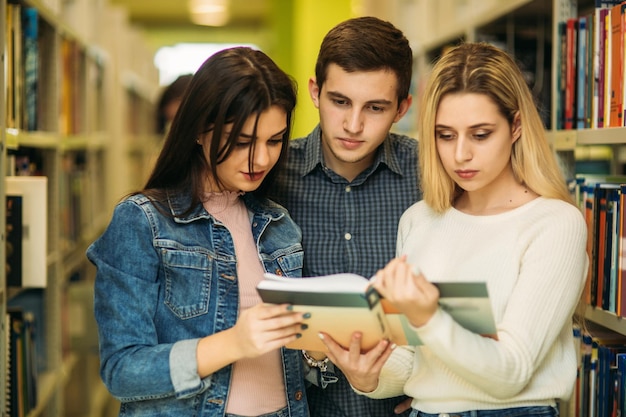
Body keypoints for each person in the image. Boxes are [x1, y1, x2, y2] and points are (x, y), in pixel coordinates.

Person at [321, 42, 589, 417]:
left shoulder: (554, 223)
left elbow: (510, 371)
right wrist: (367, 374)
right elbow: (419, 366)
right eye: (445, 135)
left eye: (480, 135)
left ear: (515, 127)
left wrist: (428, 317)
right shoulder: (419, 219)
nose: (460, 154)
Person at [86, 47, 311, 417]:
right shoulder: (142, 222)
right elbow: (121, 370)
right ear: (197, 131)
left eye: (274, 141)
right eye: (241, 142)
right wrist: (233, 343)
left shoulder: (278, 224)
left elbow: (291, 362)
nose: (262, 160)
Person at [271, 16, 418, 417]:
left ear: (403, 108)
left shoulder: (433, 176)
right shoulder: (270, 175)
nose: (353, 125)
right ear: (316, 92)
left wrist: (438, 387)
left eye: (375, 107)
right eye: (340, 102)